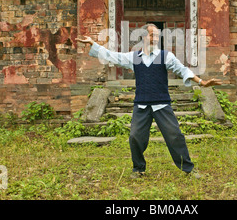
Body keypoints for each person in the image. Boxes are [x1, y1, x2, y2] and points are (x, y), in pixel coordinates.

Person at [77, 23, 222, 179]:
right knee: (135, 137)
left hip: (161, 103)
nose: (155, 39)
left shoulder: (165, 56)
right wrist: (93, 44)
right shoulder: (134, 58)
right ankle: (138, 169)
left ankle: (188, 168)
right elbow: (112, 55)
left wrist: (202, 82)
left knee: (175, 136)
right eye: (152, 35)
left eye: (157, 36)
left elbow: (182, 69)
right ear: (143, 37)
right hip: (141, 104)